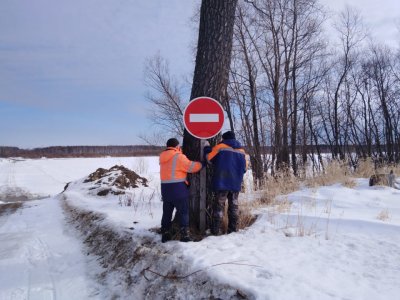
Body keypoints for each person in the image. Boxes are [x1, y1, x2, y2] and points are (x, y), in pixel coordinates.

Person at [159, 138, 203, 243]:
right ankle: (185, 235)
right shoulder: (178, 157)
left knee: (167, 213)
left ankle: (165, 234)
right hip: (178, 189)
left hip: (165, 190)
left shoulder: (162, 157)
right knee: (183, 212)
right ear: (177, 146)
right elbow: (192, 167)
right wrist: (202, 164)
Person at [204, 131, 247, 235]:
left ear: (223, 138)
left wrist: (206, 148)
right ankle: (233, 230)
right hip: (236, 184)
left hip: (222, 182)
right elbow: (245, 169)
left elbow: (209, 158)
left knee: (219, 207)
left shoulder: (220, 147)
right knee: (234, 207)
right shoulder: (242, 151)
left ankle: (216, 231)